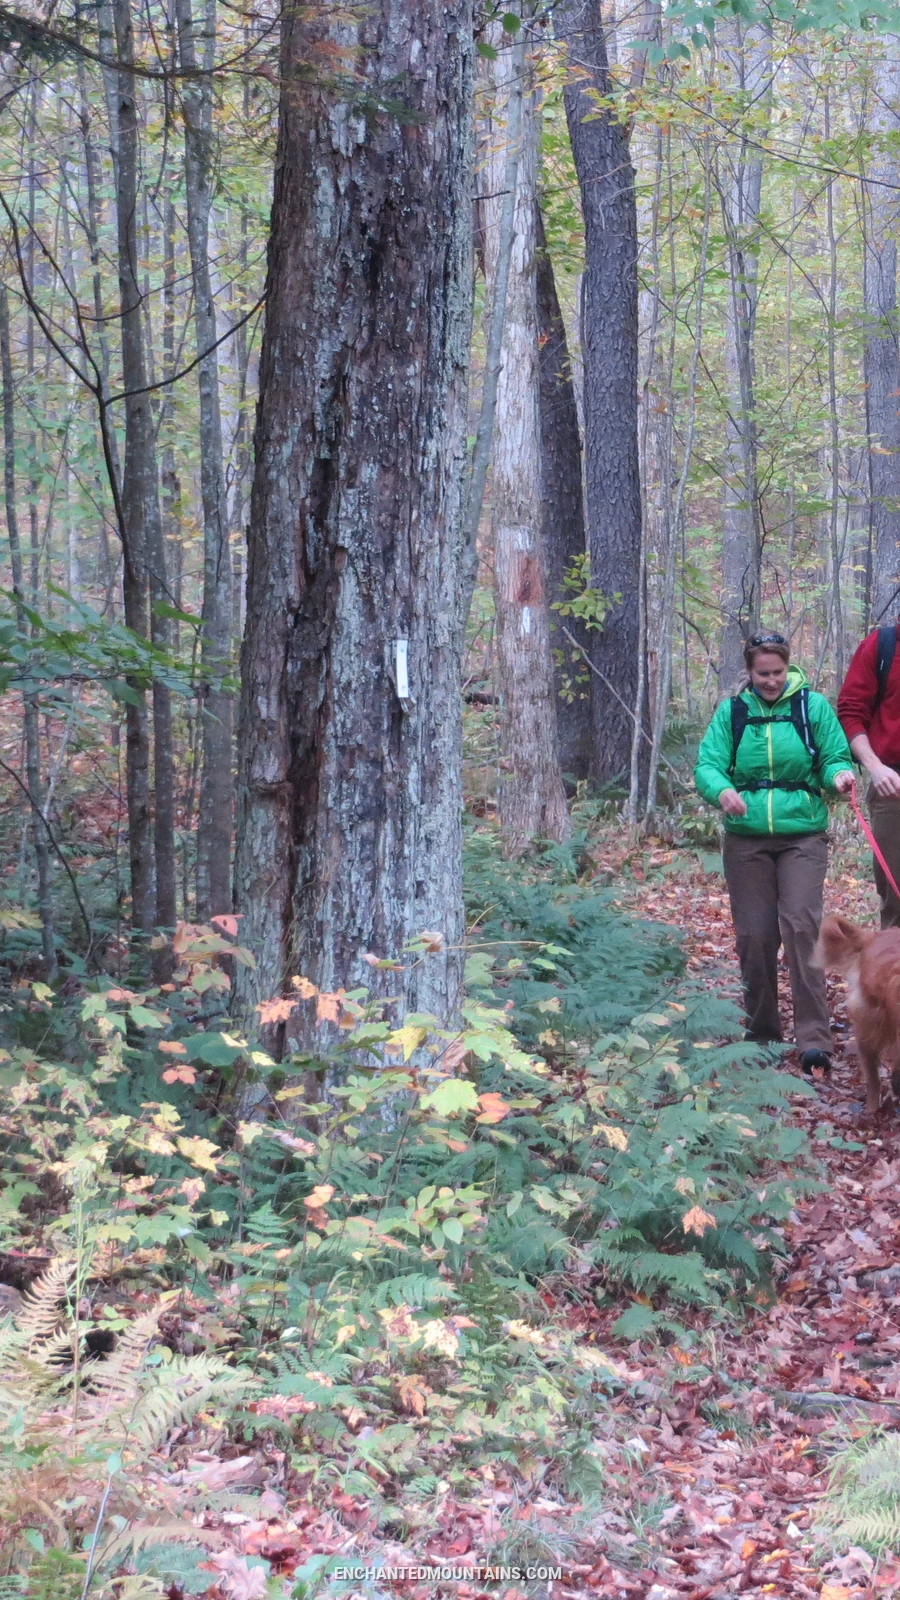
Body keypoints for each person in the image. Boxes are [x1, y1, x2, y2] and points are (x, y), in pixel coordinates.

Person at [695, 632, 854, 1072]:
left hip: (802, 834)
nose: (771, 681)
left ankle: (813, 1039)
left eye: (778, 672)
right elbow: (707, 764)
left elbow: (835, 755)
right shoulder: (733, 713)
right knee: (754, 936)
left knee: (801, 925)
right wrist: (723, 791)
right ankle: (762, 1034)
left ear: (789, 668)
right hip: (746, 837)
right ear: (749, 672)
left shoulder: (811, 707)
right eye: (762, 674)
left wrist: (839, 776)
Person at [837, 619, 900, 926]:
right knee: (897, 895)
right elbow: (851, 711)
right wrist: (875, 767)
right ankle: (891, 972)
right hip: (892, 785)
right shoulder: (882, 646)